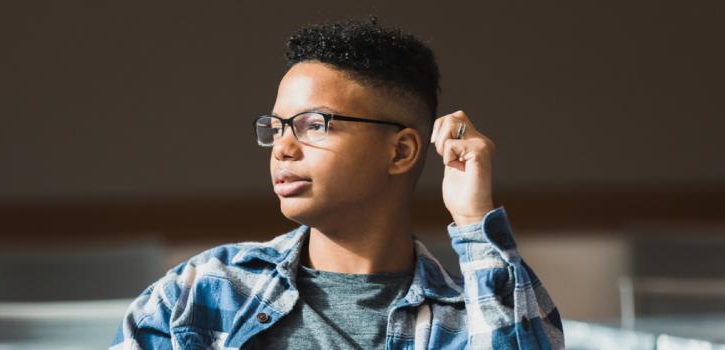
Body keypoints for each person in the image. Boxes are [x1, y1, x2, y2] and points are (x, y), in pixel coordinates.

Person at [111, 17, 564, 350]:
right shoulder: (202, 292)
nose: (282, 148)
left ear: (401, 151)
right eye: (277, 126)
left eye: (313, 125)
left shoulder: (475, 315)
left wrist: (473, 221)